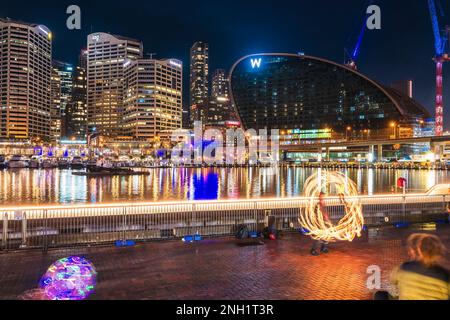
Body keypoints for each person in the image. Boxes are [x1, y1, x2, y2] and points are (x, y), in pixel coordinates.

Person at [375, 233, 450, 300]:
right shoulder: (446, 275)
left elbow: (392, 283)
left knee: (380, 295)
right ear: (439, 251)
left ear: (419, 249)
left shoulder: (404, 268)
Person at [310, 192, 331, 256]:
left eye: (324, 196)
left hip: (324, 223)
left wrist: (327, 220)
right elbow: (316, 214)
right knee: (318, 237)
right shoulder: (318, 205)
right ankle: (313, 250)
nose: (323, 198)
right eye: (322, 196)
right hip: (319, 223)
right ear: (319, 197)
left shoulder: (324, 204)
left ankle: (323, 247)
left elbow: (325, 213)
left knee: (325, 236)